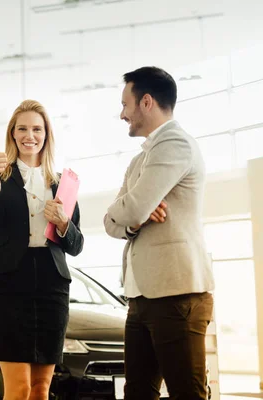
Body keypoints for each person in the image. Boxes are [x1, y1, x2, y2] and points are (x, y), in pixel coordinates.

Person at [103, 66, 215, 400]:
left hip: (176, 295)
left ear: (146, 102)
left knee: (186, 393)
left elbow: (130, 207)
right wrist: (133, 219)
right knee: (138, 392)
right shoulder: (140, 161)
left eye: (126, 105)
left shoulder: (175, 144)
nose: (122, 114)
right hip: (141, 297)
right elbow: (112, 222)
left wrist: (131, 210)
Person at [0, 99, 84, 400]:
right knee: (19, 387)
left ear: (46, 134)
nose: (30, 135)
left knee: (40, 389)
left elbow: (76, 246)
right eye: (22, 128)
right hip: (8, 285)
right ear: (12, 134)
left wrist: (63, 222)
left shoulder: (64, 183)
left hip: (51, 287)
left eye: (37, 129)